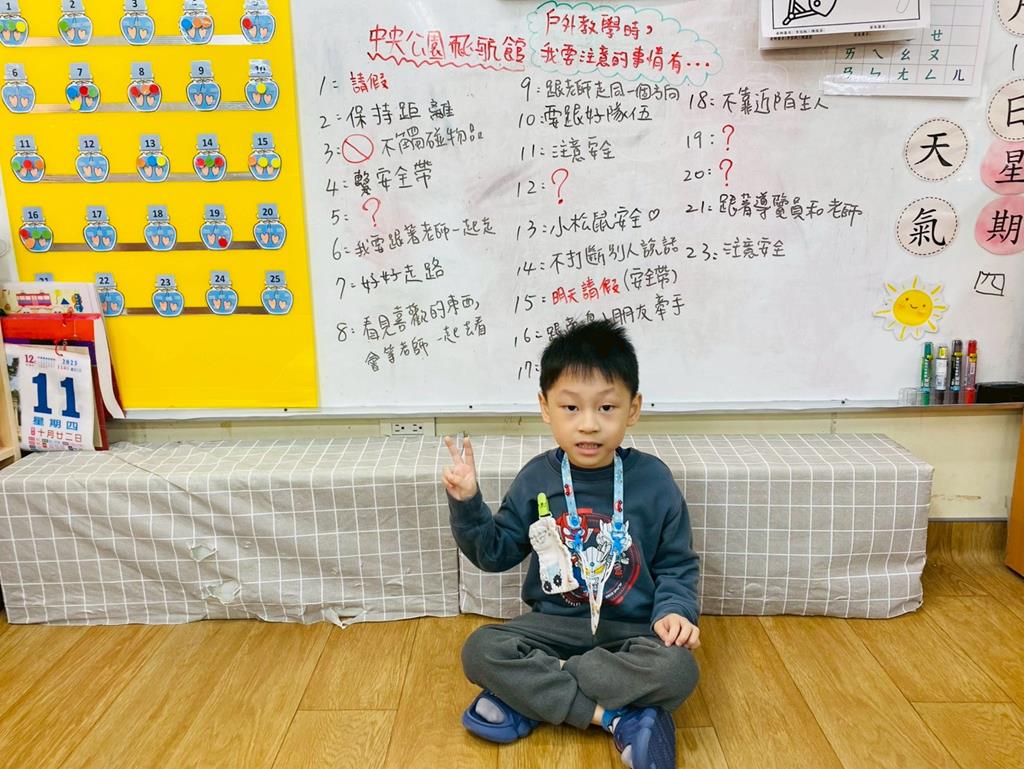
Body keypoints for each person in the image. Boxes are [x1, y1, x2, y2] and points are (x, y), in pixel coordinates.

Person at [442, 319, 700, 769]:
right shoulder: (536, 478)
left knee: (678, 670)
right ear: (545, 407)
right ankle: (615, 718)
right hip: (553, 628)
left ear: (633, 408)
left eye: (606, 407)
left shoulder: (654, 481)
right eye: (571, 407)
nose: (589, 425)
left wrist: (675, 612)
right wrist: (467, 503)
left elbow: (677, 565)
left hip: (631, 633)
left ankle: (532, 695)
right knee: (480, 650)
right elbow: (494, 552)